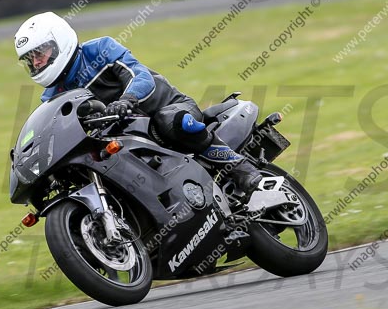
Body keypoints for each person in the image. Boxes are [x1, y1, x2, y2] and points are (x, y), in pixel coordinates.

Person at [14, 12, 262, 196]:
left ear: (60, 41)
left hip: (167, 110)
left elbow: (139, 75)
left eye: (40, 53)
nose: (36, 63)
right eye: (30, 59)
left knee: (170, 122)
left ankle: (241, 168)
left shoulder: (100, 50)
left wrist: (127, 100)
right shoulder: (51, 96)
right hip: (125, 140)